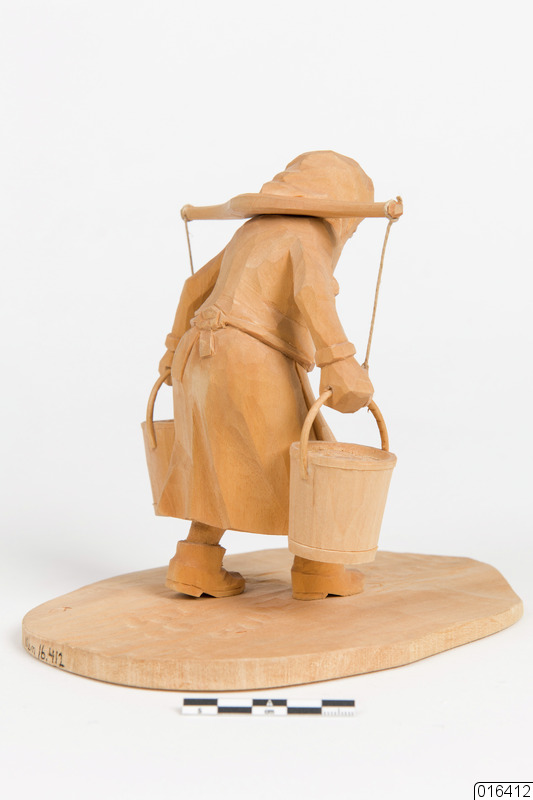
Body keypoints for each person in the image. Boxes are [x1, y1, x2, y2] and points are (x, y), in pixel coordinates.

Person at [155, 151, 374, 600]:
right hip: (250, 355)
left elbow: (193, 288)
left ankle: (195, 562)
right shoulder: (311, 233)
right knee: (305, 457)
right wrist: (341, 360)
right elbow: (312, 292)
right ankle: (319, 569)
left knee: (216, 457)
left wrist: (173, 349)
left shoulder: (251, 229)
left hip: (198, 350)